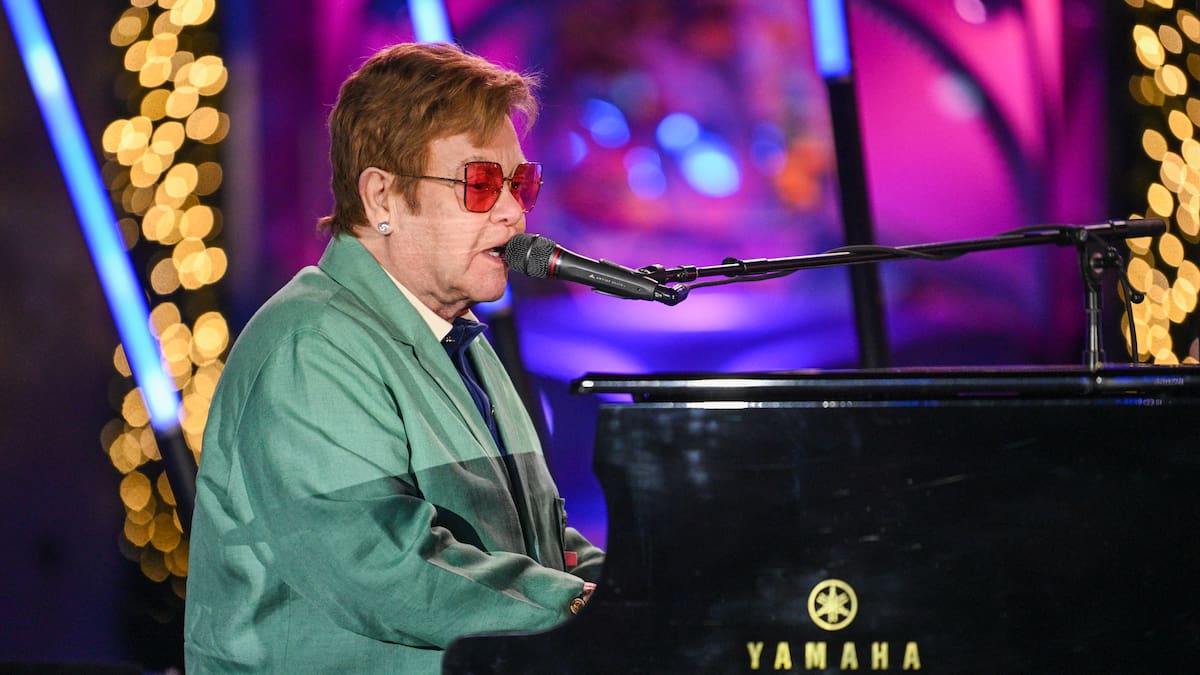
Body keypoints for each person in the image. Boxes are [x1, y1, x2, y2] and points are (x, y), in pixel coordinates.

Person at [183, 42, 603, 673]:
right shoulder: (313, 344)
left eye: (521, 183)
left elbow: (533, 544)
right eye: (482, 184)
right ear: (381, 198)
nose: (514, 211)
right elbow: (384, 565)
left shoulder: (456, 336)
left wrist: (645, 595)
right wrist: (584, 611)